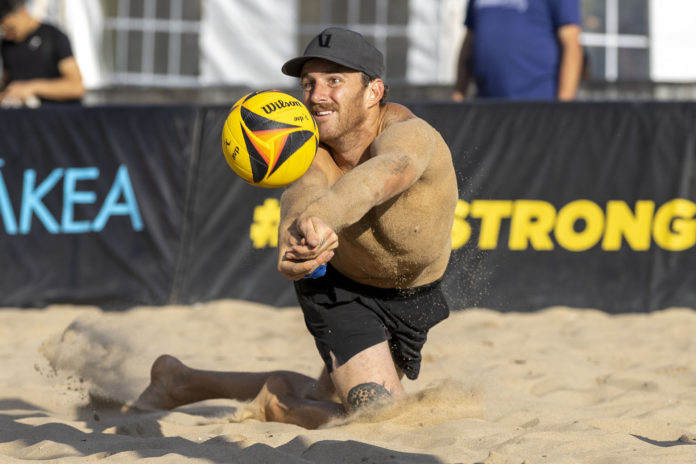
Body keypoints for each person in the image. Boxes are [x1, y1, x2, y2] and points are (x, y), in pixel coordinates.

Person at [136, 27, 459, 429]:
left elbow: (385, 174)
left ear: (374, 91)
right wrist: (292, 239)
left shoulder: (410, 134)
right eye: (308, 83)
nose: (316, 95)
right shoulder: (310, 151)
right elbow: (301, 197)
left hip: (412, 297)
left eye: (334, 81)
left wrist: (325, 216)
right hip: (340, 290)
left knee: (321, 395)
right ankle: (276, 406)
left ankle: (181, 382)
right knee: (380, 416)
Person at [452, 0, 582, 101]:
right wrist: (459, 92)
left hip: (538, 108)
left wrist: (564, 105)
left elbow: (571, 44)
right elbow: (469, 40)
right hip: (487, 106)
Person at [0, 0, 84, 107]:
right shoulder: (7, 44)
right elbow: (7, 82)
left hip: (54, 116)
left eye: (11, 28)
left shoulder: (53, 36)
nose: (8, 34)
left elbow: (76, 87)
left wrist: (32, 88)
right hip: (21, 119)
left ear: (22, 12)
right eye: (3, 30)